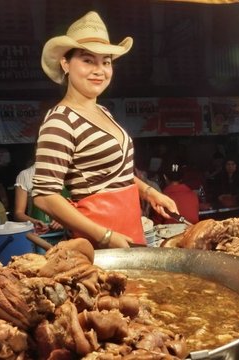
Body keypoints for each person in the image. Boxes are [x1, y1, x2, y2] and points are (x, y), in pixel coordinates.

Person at [32, 11, 178, 249]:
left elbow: (114, 175)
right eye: (88, 60)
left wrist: (150, 192)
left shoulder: (104, 112)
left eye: (106, 61)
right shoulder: (60, 120)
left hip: (128, 231)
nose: (99, 70)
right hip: (98, 243)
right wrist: (105, 236)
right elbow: (44, 196)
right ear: (65, 63)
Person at [14, 162, 64, 252]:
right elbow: (18, 214)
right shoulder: (25, 175)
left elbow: (78, 204)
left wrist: (64, 219)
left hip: (67, 235)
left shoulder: (64, 171)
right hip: (40, 238)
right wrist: (34, 222)